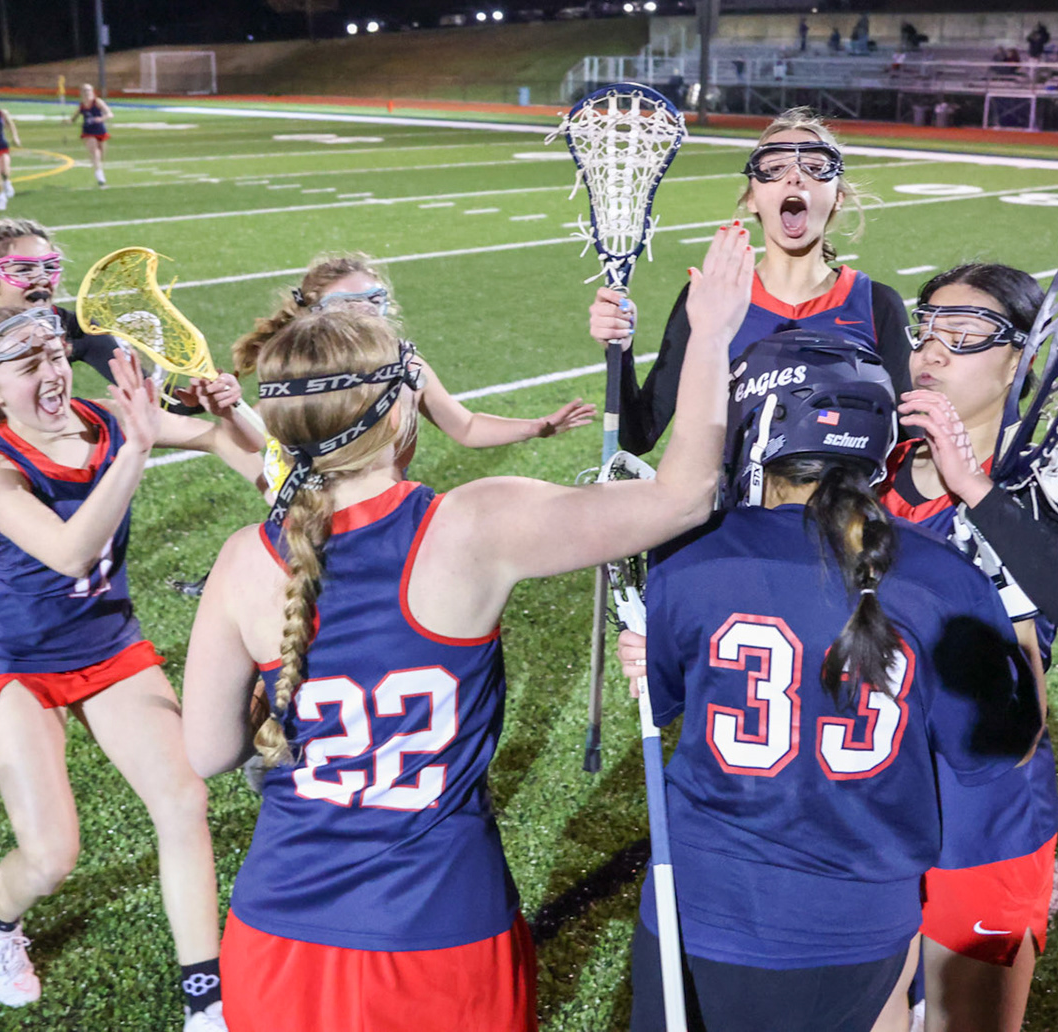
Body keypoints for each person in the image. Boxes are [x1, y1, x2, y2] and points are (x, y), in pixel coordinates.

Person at [180, 226, 755, 1031]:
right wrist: (713, 332)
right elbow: (686, 497)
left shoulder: (247, 557)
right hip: (440, 930)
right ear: (397, 410)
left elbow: (209, 754)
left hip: (279, 930)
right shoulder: (472, 526)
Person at [613, 332, 1039, 1032]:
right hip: (855, 922)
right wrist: (1012, 623)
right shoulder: (943, 580)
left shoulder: (689, 557)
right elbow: (996, 753)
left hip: (700, 906)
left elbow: (656, 700)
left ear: (756, 428)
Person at [0, 303, 259, 1027]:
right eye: (28, 364)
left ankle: (204, 998)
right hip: (16, 661)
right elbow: (72, 551)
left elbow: (237, 450)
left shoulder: (105, 417)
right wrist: (137, 447)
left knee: (184, 800)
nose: (50, 372)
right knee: (50, 860)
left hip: (108, 644)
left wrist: (234, 414)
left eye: (54, 355)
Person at [0, 217, 265, 802]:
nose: (40, 279)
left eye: (50, 266)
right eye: (22, 269)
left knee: (29, 613)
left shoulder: (67, 327)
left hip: (37, 478)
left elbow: (140, 385)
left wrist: (188, 394)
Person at [884, 264, 1058, 1032]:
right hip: (866, 793)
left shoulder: (1048, 482)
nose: (934, 351)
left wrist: (978, 493)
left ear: (1020, 360)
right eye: (928, 330)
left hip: (982, 812)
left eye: (965, 336)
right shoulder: (876, 462)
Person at [588, 107, 912, 456]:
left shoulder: (877, 304)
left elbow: (908, 441)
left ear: (838, 196)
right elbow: (639, 434)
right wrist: (618, 354)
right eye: (774, 169)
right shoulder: (709, 298)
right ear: (751, 199)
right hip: (733, 511)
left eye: (815, 168)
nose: (795, 177)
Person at [232, 251, 596, 493]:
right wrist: (227, 409)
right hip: (319, 511)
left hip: (391, 508)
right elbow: (257, 436)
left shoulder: (407, 365)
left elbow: (465, 427)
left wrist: (535, 427)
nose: (365, 312)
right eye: (348, 303)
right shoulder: (303, 373)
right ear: (314, 311)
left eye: (374, 299)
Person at [72, 83, 112, 188]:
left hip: (100, 130)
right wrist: (68, 121)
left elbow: (110, 114)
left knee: (101, 155)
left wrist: (101, 119)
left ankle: (96, 166)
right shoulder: (82, 105)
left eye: (89, 90)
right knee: (95, 152)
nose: (87, 93)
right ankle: (100, 177)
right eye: (85, 90)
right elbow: (74, 118)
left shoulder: (97, 102)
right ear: (81, 93)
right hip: (88, 131)